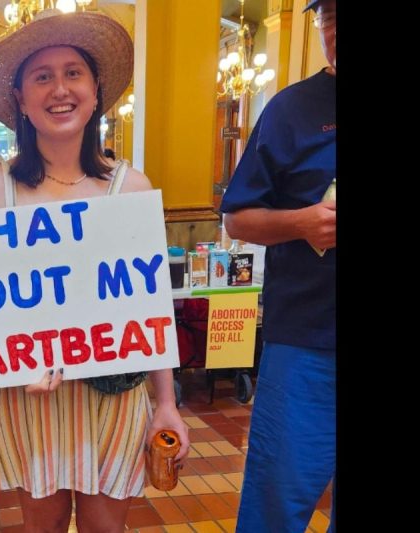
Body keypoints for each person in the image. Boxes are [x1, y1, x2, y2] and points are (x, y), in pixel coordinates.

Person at [0, 10, 189, 532]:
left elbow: (150, 304)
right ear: (21, 98)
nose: (59, 88)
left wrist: (166, 402)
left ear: (95, 91)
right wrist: (6, 364)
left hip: (113, 397)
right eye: (42, 76)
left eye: (73, 72)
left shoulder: (131, 188)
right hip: (28, 401)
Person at [219, 1, 336, 531]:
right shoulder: (291, 109)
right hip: (307, 345)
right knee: (274, 505)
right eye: (329, 15)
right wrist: (305, 222)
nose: (335, 28)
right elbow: (237, 221)